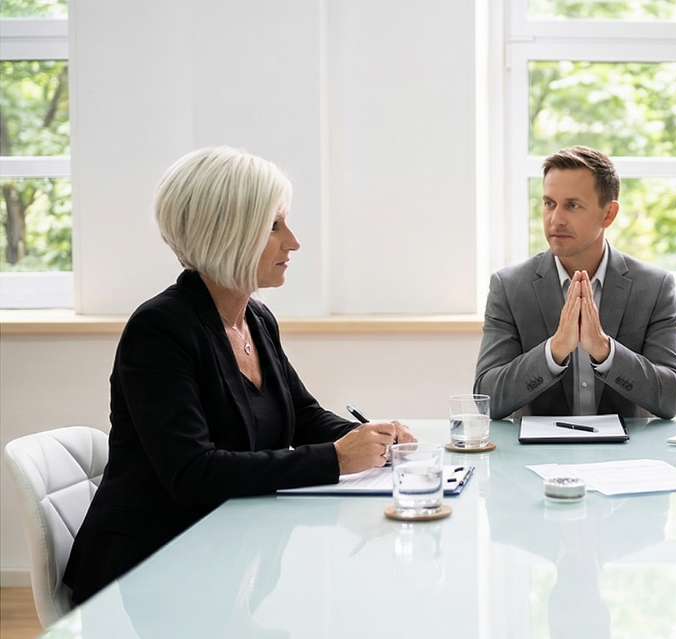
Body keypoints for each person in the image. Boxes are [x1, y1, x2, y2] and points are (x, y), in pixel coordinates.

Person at [64, 146, 415, 604]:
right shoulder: (160, 329)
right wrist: (336, 459)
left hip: (225, 556)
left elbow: (303, 415)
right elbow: (194, 473)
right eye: (274, 226)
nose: (293, 241)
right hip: (151, 571)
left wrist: (369, 438)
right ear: (227, 233)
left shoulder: (255, 318)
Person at [475, 145, 676, 420]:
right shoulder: (510, 286)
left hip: (626, 457)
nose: (556, 219)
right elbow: (487, 398)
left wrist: (604, 349)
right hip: (536, 456)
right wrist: (555, 350)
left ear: (608, 214)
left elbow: (672, 398)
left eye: (572, 206)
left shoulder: (653, 287)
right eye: (549, 203)